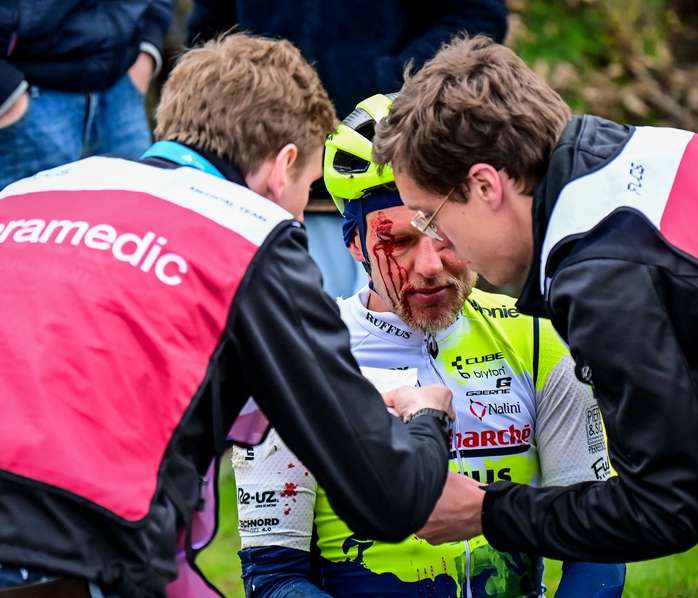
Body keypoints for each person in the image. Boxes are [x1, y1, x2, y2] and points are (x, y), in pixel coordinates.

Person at [372, 35, 698, 592]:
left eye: (432, 217)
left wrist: (486, 513)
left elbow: (662, 508)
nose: (438, 245)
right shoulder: (625, 156)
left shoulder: (604, 278)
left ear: (485, 184)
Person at [0, 34, 453, 598]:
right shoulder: (250, 233)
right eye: (309, 188)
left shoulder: (33, 191)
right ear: (284, 166)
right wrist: (426, 417)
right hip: (54, 542)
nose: (296, 210)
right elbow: (392, 498)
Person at [231, 93, 626, 598]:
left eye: (444, 235)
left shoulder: (537, 338)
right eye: (398, 242)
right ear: (353, 245)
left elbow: (597, 547)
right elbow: (273, 578)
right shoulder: (297, 356)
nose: (431, 266)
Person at [185, 1, 508, 298]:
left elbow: (476, 16)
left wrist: (388, 82)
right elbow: (208, 31)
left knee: (393, 345)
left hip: (394, 194)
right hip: (264, 190)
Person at [0, 0, 172, 189]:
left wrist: (149, 43)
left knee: (134, 214)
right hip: (28, 106)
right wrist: (8, 95)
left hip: (121, 93)